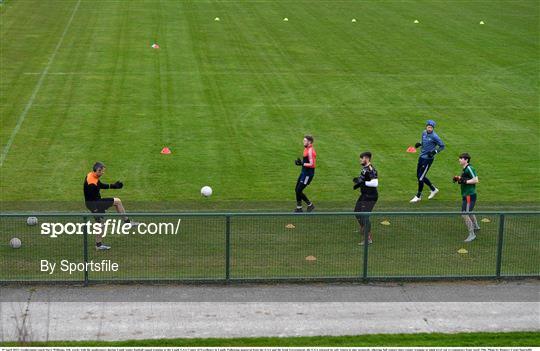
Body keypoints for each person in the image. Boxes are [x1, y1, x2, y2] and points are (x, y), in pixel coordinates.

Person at [83, 162, 138, 250]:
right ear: (98, 170)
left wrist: (114, 186)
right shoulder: (92, 183)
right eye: (102, 171)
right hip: (94, 204)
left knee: (101, 223)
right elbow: (90, 197)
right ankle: (127, 223)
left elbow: (100, 185)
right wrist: (96, 210)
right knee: (117, 202)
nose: (103, 173)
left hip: (95, 202)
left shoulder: (92, 175)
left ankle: (98, 245)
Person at [410, 119, 445, 203]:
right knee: (419, 176)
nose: (429, 129)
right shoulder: (424, 133)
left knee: (421, 178)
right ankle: (433, 189)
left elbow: (442, 146)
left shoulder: (435, 136)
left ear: (433, 128)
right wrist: (419, 143)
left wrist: (434, 152)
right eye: (428, 127)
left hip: (428, 159)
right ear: (426, 127)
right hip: (421, 157)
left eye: (431, 127)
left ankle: (418, 196)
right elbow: (424, 141)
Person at [453, 153, 480, 242]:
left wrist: (464, 181)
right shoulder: (465, 169)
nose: (459, 160)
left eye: (461, 158)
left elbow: (476, 180)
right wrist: (459, 178)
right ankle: (476, 226)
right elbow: (465, 179)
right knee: (470, 211)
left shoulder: (469, 168)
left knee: (464, 214)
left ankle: (472, 234)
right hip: (466, 195)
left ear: (466, 160)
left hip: (469, 195)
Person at [353, 151, 379, 245]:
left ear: (366, 159)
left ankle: (368, 238)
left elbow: (375, 183)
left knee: (365, 216)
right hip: (364, 194)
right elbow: (364, 179)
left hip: (370, 196)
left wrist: (363, 183)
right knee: (356, 211)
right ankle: (363, 229)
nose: (360, 160)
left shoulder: (371, 169)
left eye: (362, 158)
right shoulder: (364, 169)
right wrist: (358, 183)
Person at [294, 135, 316, 212]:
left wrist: (302, 163)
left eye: (305, 141)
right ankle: (299, 208)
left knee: (299, 190)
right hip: (304, 172)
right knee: (296, 189)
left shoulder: (310, 151)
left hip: (308, 174)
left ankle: (310, 205)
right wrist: (299, 163)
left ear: (309, 142)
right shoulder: (306, 148)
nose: (303, 142)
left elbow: (312, 164)